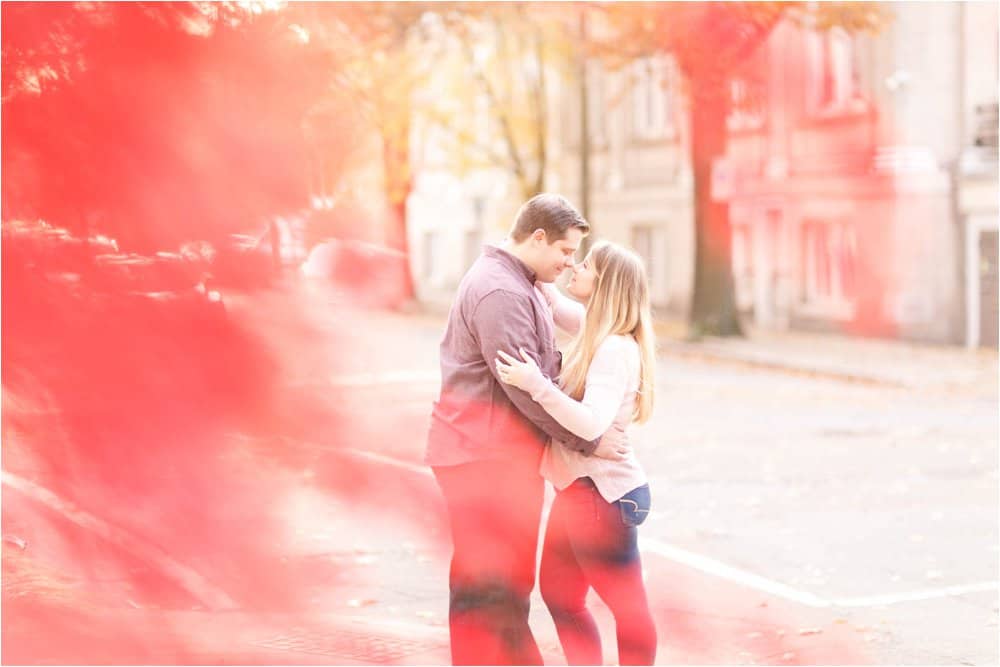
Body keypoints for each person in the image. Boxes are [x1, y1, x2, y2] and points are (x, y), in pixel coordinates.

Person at [425, 194, 625, 666]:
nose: (568, 262)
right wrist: (588, 440)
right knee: (495, 585)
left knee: (497, 584)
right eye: (565, 251)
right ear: (538, 238)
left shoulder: (525, 283)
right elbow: (525, 391)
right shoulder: (503, 293)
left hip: (492, 456)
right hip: (485, 460)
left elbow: (581, 332)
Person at [495, 240, 658, 666]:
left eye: (584, 264)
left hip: (603, 496)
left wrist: (537, 385)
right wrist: (525, 259)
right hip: (580, 491)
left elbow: (590, 424)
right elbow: (556, 305)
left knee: (627, 606)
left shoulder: (614, 349)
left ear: (604, 283)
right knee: (560, 593)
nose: (575, 267)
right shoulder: (596, 328)